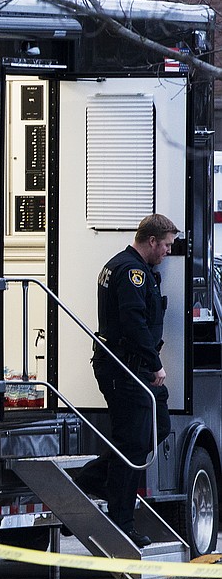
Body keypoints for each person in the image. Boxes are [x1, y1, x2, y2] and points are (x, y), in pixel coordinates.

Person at [81, 213, 178, 549]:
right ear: (151, 241)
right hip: (128, 368)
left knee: (157, 428)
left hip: (126, 367)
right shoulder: (132, 272)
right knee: (132, 445)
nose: (167, 253)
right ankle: (121, 522)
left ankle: (91, 480)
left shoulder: (122, 265)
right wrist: (154, 364)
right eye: (166, 246)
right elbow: (133, 322)